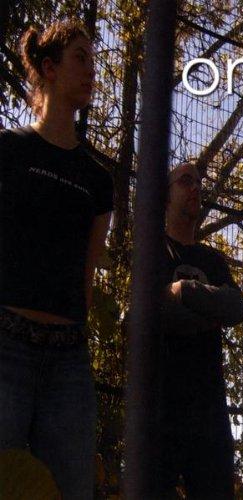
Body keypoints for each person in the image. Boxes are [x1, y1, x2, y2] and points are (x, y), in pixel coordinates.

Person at [0, 19, 113, 498]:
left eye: (93, 61)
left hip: (68, 357)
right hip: (5, 344)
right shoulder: (8, 149)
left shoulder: (98, 179)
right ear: (49, 68)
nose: (91, 71)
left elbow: (87, 276)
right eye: (80, 58)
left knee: (71, 488)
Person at [155, 162, 243, 499]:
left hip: (209, 410)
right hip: (160, 406)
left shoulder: (214, 261)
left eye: (198, 182)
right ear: (166, 196)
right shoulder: (152, 251)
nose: (195, 187)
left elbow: (236, 308)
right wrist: (209, 312)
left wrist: (183, 290)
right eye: (185, 181)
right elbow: (151, 314)